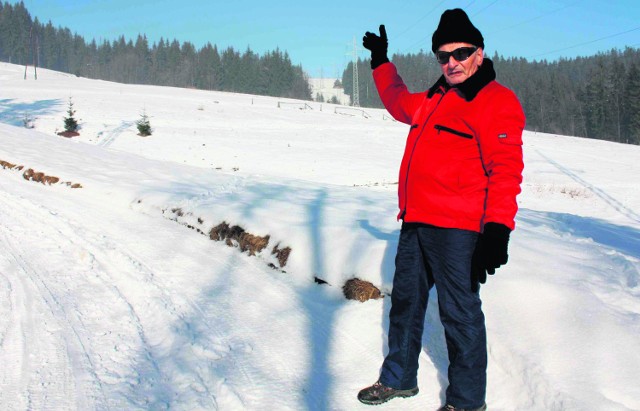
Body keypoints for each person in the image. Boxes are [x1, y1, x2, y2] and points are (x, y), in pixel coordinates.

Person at [357, 8, 525, 411]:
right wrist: (382, 63)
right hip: (416, 221)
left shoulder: (496, 102)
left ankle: (467, 402)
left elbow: (505, 170)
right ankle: (399, 379)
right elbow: (399, 103)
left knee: (459, 315)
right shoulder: (435, 97)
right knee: (406, 304)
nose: (451, 62)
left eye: (460, 52)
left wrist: (497, 230)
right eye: (443, 55)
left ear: (479, 54)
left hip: (459, 230)